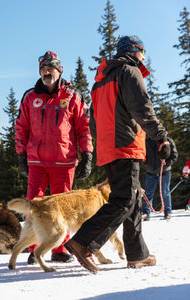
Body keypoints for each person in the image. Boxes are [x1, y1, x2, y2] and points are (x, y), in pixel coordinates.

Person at [64, 35, 171, 274]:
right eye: (142, 52)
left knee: (131, 200)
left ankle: (137, 254)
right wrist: (161, 137)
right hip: (125, 146)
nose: (144, 57)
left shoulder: (100, 82)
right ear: (135, 51)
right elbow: (142, 109)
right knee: (123, 200)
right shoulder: (129, 72)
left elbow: (93, 123)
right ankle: (83, 242)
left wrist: (101, 144)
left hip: (108, 148)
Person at [15, 51, 93, 264]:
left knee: (62, 209)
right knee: (33, 205)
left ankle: (59, 249)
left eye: (51, 68)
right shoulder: (30, 97)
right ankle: (34, 248)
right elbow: (21, 127)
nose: (46, 71)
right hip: (37, 162)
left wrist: (87, 154)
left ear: (59, 70)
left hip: (64, 161)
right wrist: (21, 154)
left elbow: (84, 128)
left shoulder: (73, 96)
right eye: (43, 68)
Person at [142, 137, 178, 220]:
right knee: (148, 193)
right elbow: (143, 153)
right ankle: (146, 213)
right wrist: (146, 163)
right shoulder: (147, 141)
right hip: (151, 171)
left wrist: (166, 164)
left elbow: (174, 155)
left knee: (165, 192)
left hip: (164, 172)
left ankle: (167, 212)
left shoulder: (168, 141)